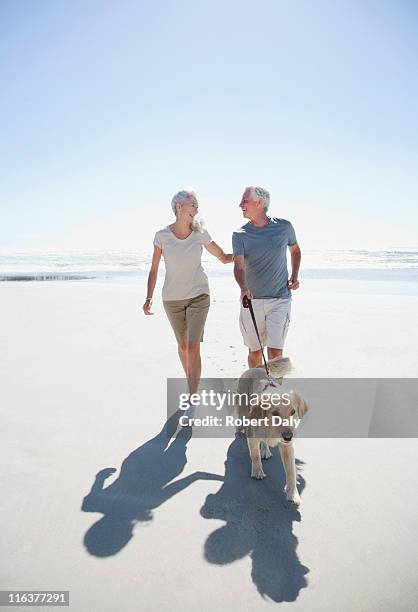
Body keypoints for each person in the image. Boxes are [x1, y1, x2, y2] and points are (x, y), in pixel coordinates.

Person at [143, 190, 233, 395]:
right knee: (183, 348)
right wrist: (149, 297)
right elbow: (154, 269)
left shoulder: (200, 233)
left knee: (192, 348)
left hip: (199, 296)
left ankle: (192, 395)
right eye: (192, 204)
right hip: (172, 299)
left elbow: (224, 257)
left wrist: (246, 253)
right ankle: (192, 382)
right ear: (179, 207)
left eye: (197, 205)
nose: (196, 208)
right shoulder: (161, 236)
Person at [232, 186, 301, 368]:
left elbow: (295, 251)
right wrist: (243, 288)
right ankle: (255, 390)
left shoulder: (284, 227)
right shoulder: (239, 235)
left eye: (244, 201)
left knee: (275, 354)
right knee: (255, 353)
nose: (240, 205)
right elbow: (238, 267)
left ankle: (275, 393)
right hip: (251, 301)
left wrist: (294, 276)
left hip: (280, 299)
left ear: (259, 203)